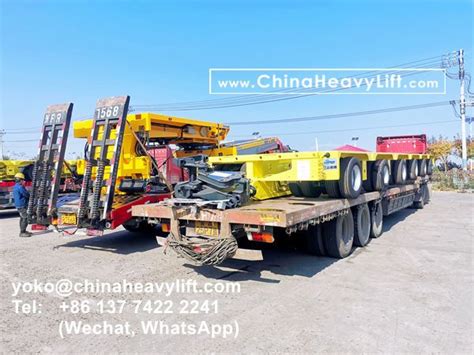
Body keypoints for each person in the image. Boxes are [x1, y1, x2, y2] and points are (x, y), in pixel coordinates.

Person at [13, 172, 32, 237]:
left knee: (22, 218)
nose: (23, 181)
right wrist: (30, 194)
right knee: (25, 218)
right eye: (22, 180)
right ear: (20, 180)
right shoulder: (20, 187)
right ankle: (22, 232)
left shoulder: (15, 186)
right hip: (22, 205)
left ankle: (23, 230)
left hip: (19, 205)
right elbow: (26, 194)